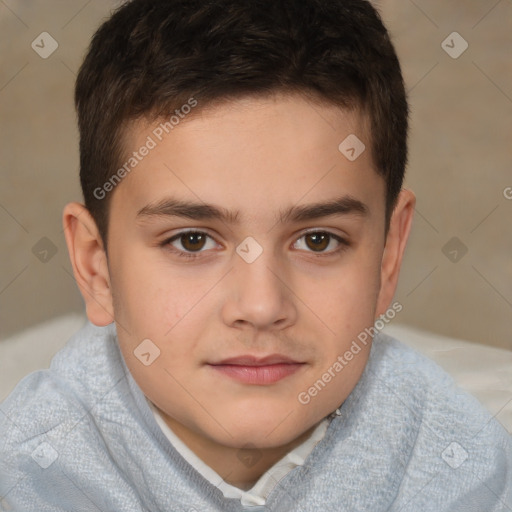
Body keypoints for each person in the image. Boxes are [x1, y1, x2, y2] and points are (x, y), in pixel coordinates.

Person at [1, 0, 511, 510]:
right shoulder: (26, 477)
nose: (263, 306)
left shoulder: (472, 473)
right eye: (192, 241)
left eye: (318, 240)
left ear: (388, 255)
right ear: (97, 269)